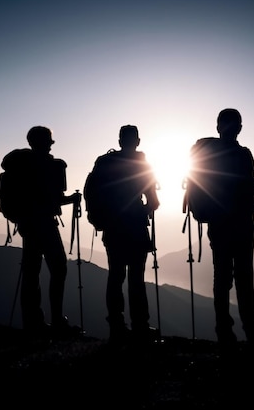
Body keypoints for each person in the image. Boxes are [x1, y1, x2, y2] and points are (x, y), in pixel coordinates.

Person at [189, 108, 254, 346]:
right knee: (244, 275)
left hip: (218, 221)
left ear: (218, 127)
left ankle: (224, 330)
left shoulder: (206, 154)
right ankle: (252, 329)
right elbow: (250, 189)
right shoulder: (243, 155)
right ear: (239, 127)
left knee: (221, 276)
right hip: (242, 220)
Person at [2, 125, 82, 342]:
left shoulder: (20, 165)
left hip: (27, 225)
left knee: (31, 272)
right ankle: (56, 320)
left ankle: (33, 322)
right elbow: (56, 200)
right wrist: (73, 200)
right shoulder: (50, 166)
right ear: (46, 142)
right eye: (49, 140)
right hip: (45, 224)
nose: (50, 145)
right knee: (58, 267)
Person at [87, 125, 160, 345]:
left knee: (116, 275)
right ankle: (140, 326)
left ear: (119, 141)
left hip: (113, 226)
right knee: (136, 278)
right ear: (137, 141)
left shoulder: (105, 163)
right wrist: (143, 210)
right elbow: (154, 202)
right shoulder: (143, 165)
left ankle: (116, 327)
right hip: (136, 227)